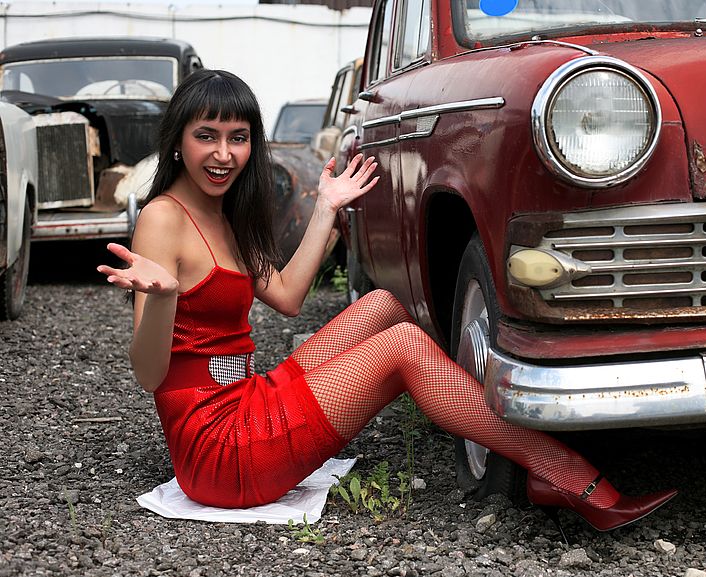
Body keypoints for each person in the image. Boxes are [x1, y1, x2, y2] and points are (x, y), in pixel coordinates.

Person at [97, 69, 676, 534]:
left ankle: (476, 419)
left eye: (238, 137)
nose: (223, 154)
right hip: (221, 452)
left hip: (250, 397)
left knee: (383, 308)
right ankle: (557, 466)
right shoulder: (161, 219)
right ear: (177, 141)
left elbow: (290, 298)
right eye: (206, 136)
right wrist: (167, 299)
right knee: (400, 347)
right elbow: (149, 372)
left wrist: (327, 207)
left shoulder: (223, 213)